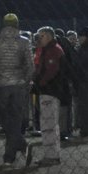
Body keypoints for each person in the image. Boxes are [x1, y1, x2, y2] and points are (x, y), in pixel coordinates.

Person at [0, 13, 34, 168]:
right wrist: (25, 81)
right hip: (19, 84)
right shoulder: (24, 41)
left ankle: (10, 156)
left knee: (4, 119)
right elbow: (30, 65)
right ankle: (18, 148)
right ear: (17, 24)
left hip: (0, 84)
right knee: (15, 119)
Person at [31, 27, 68, 166]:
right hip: (49, 90)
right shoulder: (49, 49)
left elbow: (51, 71)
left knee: (48, 124)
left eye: (42, 36)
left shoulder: (53, 50)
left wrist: (39, 83)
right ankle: (52, 155)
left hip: (50, 91)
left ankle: (51, 156)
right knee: (50, 123)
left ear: (49, 36)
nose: (39, 38)